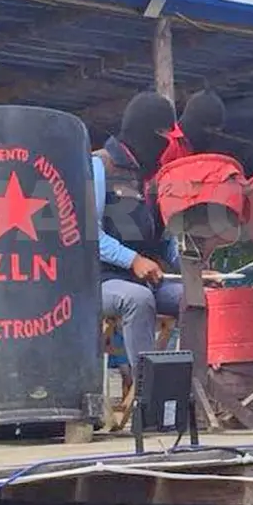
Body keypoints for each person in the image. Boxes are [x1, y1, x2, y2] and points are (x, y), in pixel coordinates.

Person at [94, 92, 186, 382]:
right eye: (163, 134)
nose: (168, 143)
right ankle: (150, 396)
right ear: (146, 131)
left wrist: (191, 269)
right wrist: (132, 259)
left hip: (147, 279)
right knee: (138, 299)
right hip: (98, 282)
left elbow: (166, 240)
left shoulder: (153, 178)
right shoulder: (98, 166)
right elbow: (87, 234)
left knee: (196, 298)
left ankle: (199, 389)